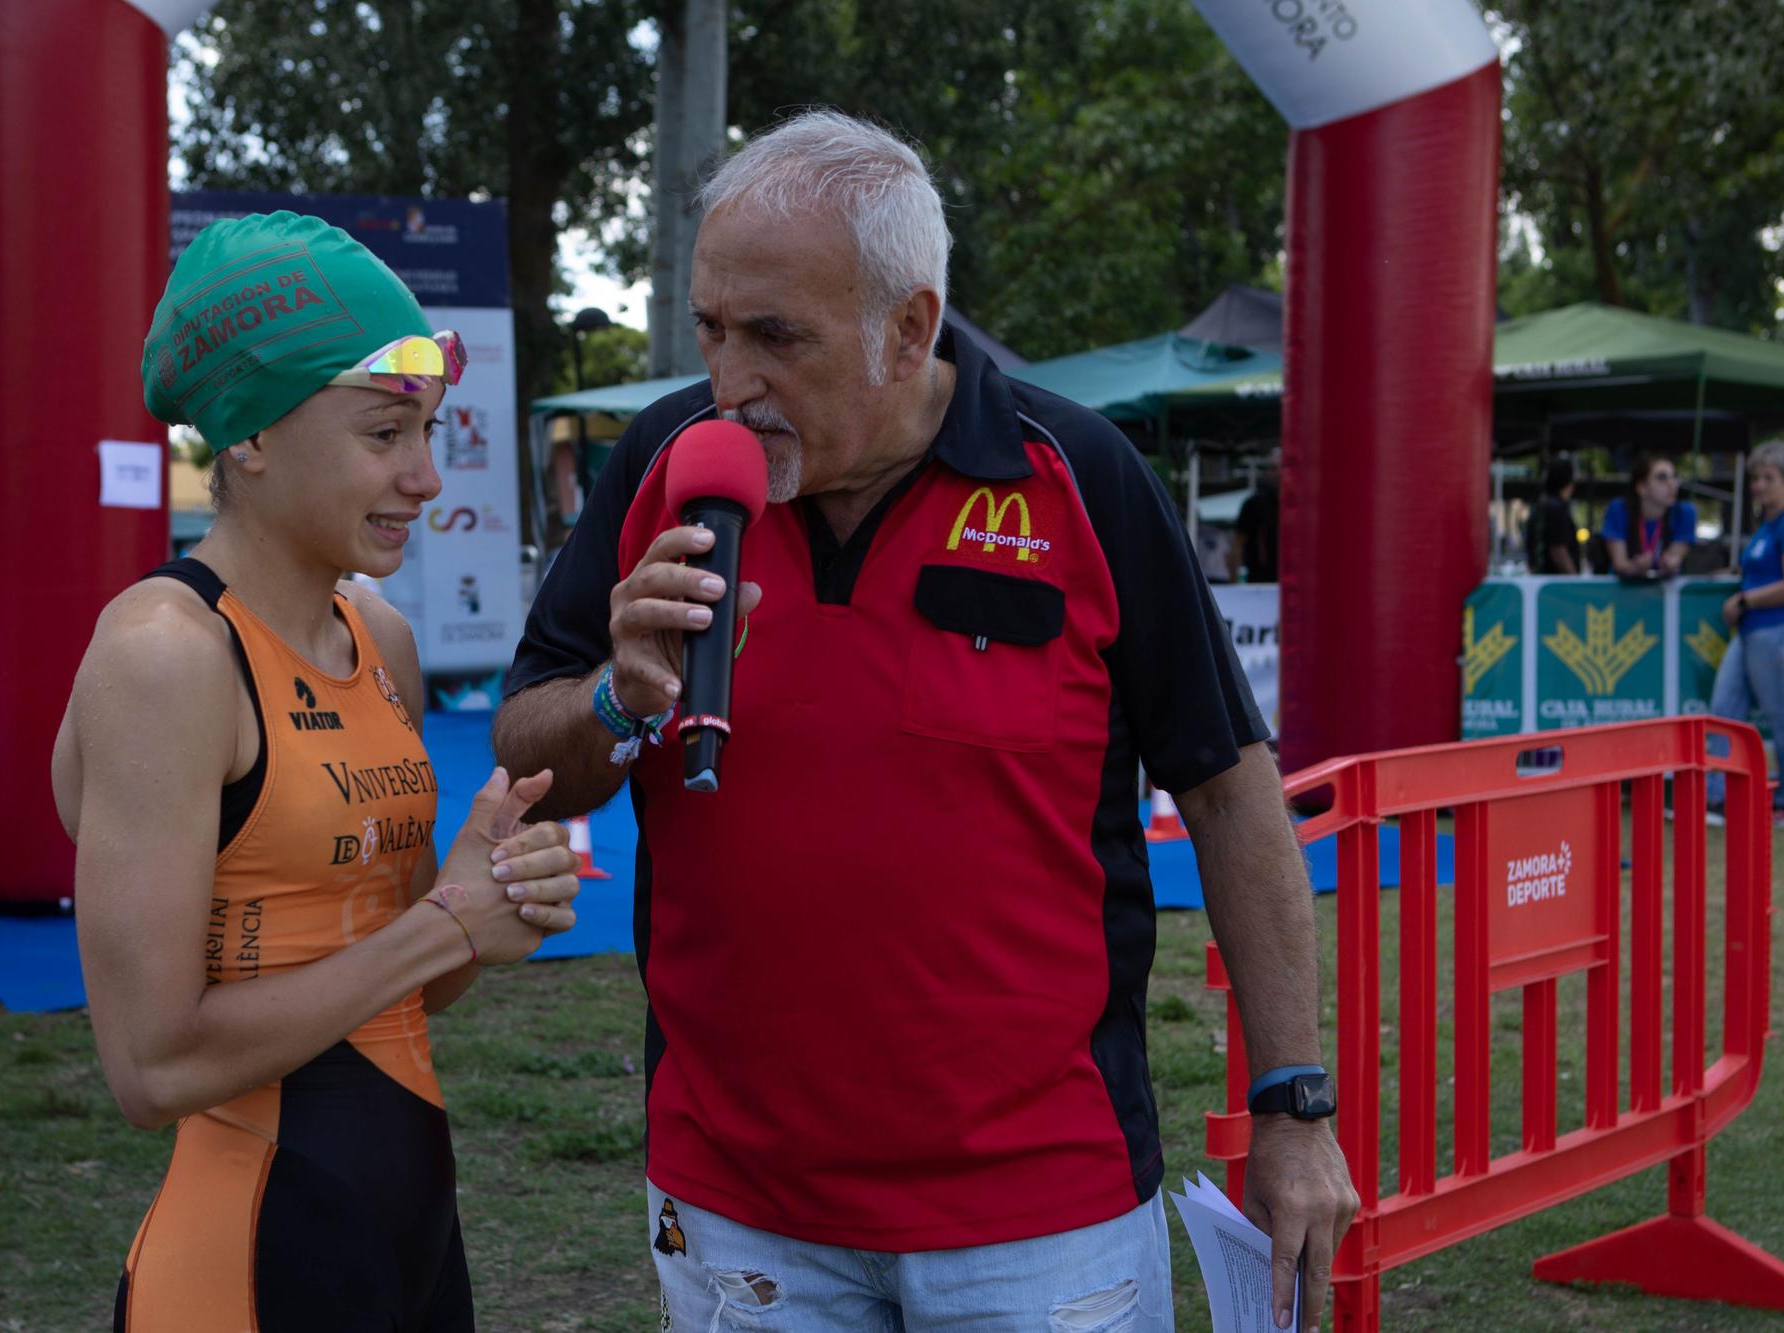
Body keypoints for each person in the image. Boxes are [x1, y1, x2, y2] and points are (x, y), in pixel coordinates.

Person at [492, 111, 1356, 1333]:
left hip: (1040, 1219)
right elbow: (528, 746)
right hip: (739, 1205)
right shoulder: (663, 465)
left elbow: (1226, 788)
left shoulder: (1083, 479)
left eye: (774, 337)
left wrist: (1291, 1107)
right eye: (710, 328)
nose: (729, 382)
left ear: (908, 327)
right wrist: (614, 697)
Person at [51, 212, 582, 1332]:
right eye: (384, 432)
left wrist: (483, 895)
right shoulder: (167, 657)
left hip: (412, 1233)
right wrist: (446, 920)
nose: (426, 477)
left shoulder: (378, 638)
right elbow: (150, 1067)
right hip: (249, 1253)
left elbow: (411, 985)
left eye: (429, 431)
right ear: (248, 433)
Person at [1707, 439, 1784, 828]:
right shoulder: (1767, 525)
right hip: (1749, 635)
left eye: (1769, 478)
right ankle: (1715, 798)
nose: (1760, 485)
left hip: (1777, 633)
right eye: (1755, 478)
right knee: (1724, 711)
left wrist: (1744, 600)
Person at [1602, 453, 1695, 578]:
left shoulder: (1685, 512)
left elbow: (1673, 560)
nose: (1672, 484)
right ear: (1642, 487)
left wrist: (1669, 565)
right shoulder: (1618, 509)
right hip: (1623, 591)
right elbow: (1620, 565)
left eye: (1674, 477)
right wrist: (1634, 567)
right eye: (1662, 477)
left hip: (1664, 591)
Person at [1526, 454, 1580, 574]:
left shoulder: (1541, 504)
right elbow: (1558, 550)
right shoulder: (1556, 508)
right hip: (1556, 583)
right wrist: (1574, 580)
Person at [1230, 461, 1279, 582]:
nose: (1279, 473)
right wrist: (1234, 579)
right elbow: (1238, 542)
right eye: (1273, 468)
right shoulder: (1254, 504)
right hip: (1260, 577)